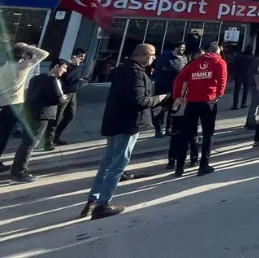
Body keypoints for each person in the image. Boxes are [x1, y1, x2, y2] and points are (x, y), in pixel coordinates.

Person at [80, 44, 166, 220]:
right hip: (128, 123)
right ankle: (102, 204)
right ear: (142, 56)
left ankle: (92, 200)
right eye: (152, 55)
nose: (154, 58)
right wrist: (158, 99)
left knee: (107, 162)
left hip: (114, 120)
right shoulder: (135, 73)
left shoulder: (123, 70)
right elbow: (139, 100)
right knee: (117, 165)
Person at [0, 42, 49, 175]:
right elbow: (44, 54)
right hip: (13, 105)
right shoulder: (22, 67)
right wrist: (27, 47)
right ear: (23, 55)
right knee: (3, 135)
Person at [170, 42, 227, 177]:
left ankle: (179, 167)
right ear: (218, 52)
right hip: (208, 102)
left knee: (186, 134)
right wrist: (219, 94)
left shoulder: (194, 63)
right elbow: (222, 78)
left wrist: (177, 96)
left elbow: (179, 79)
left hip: (192, 102)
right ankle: (203, 165)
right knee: (208, 134)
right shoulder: (219, 62)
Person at [8, 59, 70, 183]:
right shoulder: (53, 81)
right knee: (30, 143)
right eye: (63, 68)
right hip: (42, 114)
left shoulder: (36, 78)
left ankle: (16, 169)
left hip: (30, 112)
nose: (64, 71)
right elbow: (58, 98)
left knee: (25, 143)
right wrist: (63, 99)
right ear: (56, 66)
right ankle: (19, 173)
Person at [43, 48, 86, 149]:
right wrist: (74, 66)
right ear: (74, 56)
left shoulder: (76, 66)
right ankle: (48, 141)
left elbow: (74, 78)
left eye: (83, 57)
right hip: (64, 93)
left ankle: (56, 136)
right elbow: (67, 78)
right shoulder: (66, 65)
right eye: (80, 56)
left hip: (73, 94)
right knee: (56, 117)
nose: (82, 59)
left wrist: (79, 79)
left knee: (70, 115)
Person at [150, 43, 187, 138]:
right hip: (163, 87)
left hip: (177, 88)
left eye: (184, 48)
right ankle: (158, 129)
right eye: (181, 48)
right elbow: (159, 69)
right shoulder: (165, 56)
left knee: (174, 109)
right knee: (159, 109)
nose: (183, 50)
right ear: (176, 48)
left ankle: (168, 128)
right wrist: (176, 71)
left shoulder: (184, 58)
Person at [244, 46, 259, 130]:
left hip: (258, 84)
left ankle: (249, 121)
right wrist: (258, 85)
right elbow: (256, 74)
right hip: (255, 85)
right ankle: (250, 123)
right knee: (255, 103)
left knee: (256, 103)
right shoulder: (258, 60)